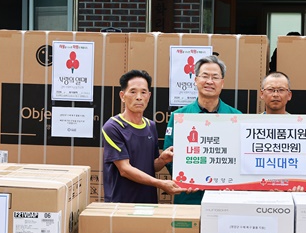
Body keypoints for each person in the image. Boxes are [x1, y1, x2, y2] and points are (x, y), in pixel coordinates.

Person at [164, 55, 242, 205]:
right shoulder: (179, 117)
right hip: (188, 195)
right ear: (195, 80)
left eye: (215, 77)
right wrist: (185, 178)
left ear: (222, 83)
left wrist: (233, 181)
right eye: (205, 76)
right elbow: (169, 155)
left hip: (226, 196)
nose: (210, 81)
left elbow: (240, 157)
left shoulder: (236, 117)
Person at [102, 69, 184, 203]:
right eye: (133, 92)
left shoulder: (150, 126)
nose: (139, 97)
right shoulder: (113, 127)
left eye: (143, 92)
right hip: (121, 205)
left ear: (149, 96)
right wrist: (161, 184)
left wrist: (162, 160)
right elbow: (125, 169)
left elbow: (151, 167)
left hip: (148, 204)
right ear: (122, 96)